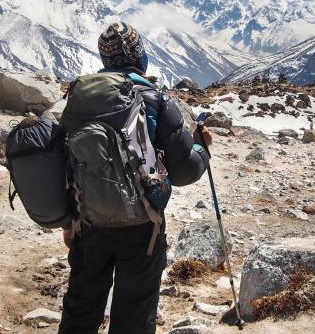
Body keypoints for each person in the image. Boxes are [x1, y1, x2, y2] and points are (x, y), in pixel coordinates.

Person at [58, 22, 212, 334]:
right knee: (135, 313)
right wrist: (202, 149)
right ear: (139, 56)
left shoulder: (79, 101)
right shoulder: (156, 100)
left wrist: (67, 222)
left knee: (81, 308)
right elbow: (183, 171)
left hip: (88, 223)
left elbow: (66, 162)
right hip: (144, 225)